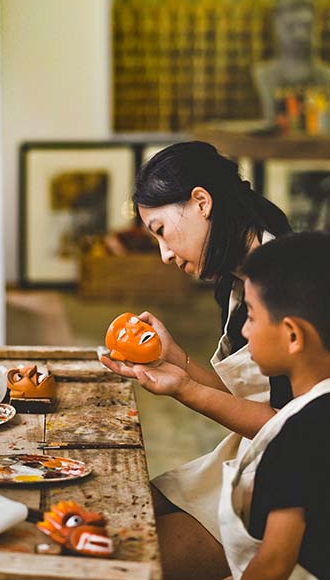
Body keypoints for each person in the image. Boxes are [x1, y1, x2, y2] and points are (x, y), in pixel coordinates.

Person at [101, 141, 292, 580]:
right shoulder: (235, 280)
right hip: (252, 455)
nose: (164, 255)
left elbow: (288, 430)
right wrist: (177, 360)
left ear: (202, 202)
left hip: (293, 478)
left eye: (161, 230)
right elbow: (247, 398)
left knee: (122, 558)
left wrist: (185, 389)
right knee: (113, 509)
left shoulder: (287, 284)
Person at [219, 231, 330, 580]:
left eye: (251, 316)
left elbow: (273, 564)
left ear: (293, 335)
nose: (245, 331)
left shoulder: (298, 436)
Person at [254, 0, 330, 124]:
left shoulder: (325, 76)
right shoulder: (265, 75)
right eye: (292, 27)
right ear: (277, 23)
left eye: (306, 27)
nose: (300, 35)